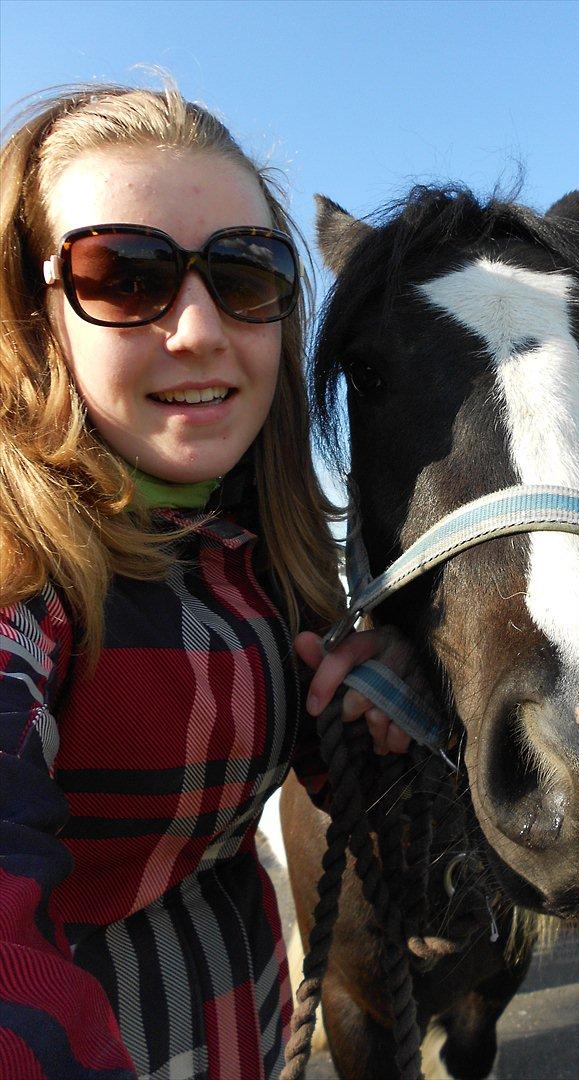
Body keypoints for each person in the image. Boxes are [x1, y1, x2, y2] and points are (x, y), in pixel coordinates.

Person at [0, 82, 416, 1079]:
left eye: (244, 274)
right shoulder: (26, 578)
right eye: (124, 274)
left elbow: (403, 843)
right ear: (31, 308)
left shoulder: (260, 553)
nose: (197, 328)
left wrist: (391, 705)